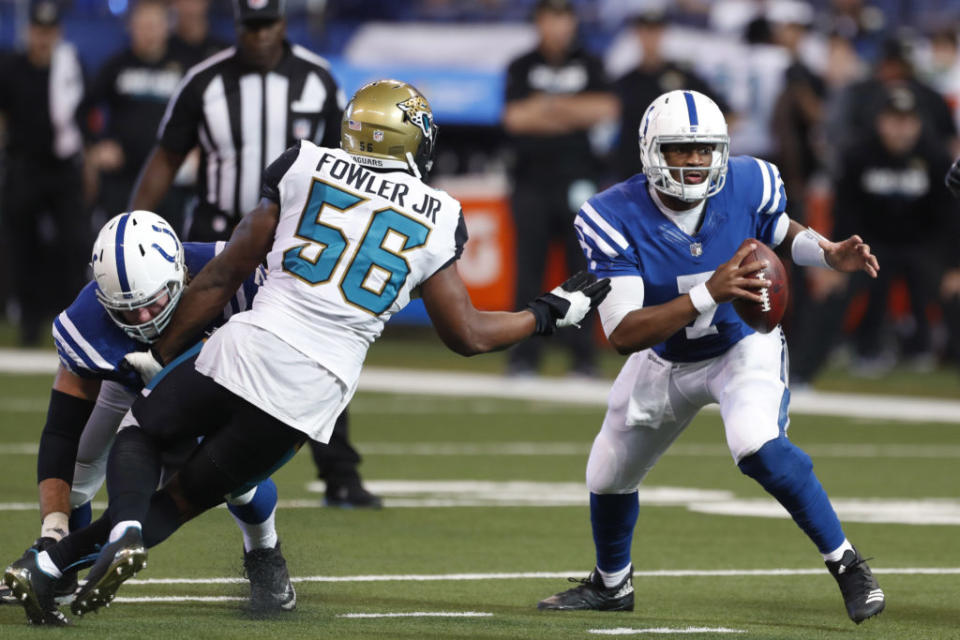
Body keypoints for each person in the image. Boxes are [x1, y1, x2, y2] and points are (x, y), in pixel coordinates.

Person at [2, 79, 610, 625]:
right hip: (315, 393)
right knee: (183, 499)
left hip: (254, 343)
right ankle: (57, 565)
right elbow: (469, 335)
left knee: (139, 432)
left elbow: (218, 278)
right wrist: (547, 313)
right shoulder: (440, 213)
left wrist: (161, 354)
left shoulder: (303, 164)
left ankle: (114, 528)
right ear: (411, 143)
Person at [537, 90, 885, 626]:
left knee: (756, 443)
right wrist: (709, 291)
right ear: (653, 150)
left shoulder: (748, 181)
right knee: (606, 474)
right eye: (681, 150)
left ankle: (848, 565)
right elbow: (625, 334)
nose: (695, 162)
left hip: (741, 344)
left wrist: (827, 252)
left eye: (704, 149)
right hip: (663, 355)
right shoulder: (611, 215)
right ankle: (611, 586)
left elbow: (777, 230)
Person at [129, 0, 378, 507]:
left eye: (267, 26)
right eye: (250, 27)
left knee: (318, 345)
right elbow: (166, 156)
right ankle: (171, 455)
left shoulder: (318, 77)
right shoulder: (205, 80)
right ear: (237, 27)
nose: (259, 37)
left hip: (293, 241)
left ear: (283, 23)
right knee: (195, 340)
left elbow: (350, 164)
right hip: (220, 234)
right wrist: (130, 226)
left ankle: (339, 471)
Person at [0, 211, 295, 620]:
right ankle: (60, 563)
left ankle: (264, 552)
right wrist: (53, 527)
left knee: (234, 479)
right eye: (127, 311)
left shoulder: (237, 274)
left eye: (152, 302)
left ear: (181, 275)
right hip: (129, 382)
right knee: (82, 462)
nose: (143, 319)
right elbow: (60, 432)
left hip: (220, 375)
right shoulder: (89, 321)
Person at [502, 0, 619, 378]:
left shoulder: (591, 63)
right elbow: (515, 119)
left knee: (581, 271)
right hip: (531, 181)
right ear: (539, 22)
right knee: (528, 271)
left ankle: (582, 359)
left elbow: (605, 109)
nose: (557, 25)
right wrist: (572, 114)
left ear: (571, 22)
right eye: (550, 17)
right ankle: (523, 359)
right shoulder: (521, 64)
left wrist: (546, 108)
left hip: (578, 182)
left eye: (563, 17)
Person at [0, 0, 88, 345]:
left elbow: (84, 114)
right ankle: (29, 324)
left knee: (73, 243)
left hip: (63, 169)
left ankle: (72, 320)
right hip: (24, 167)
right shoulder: (11, 66)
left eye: (49, 32)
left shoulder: (69, 67)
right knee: (24, 246)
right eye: (38, 31)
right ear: (28, 32)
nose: (42, 38)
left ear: (58, 34)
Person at [83, 0, 189, 228]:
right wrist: (96, 145)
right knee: (118, 249)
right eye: (142, 25)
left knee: (172, 249)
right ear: (130, 27)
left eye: (154, 25)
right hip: (123, 179)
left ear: (166, 27)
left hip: (169, 179)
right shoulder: (116, 66)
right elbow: (83, 109)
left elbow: (202, 114)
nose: (148, 32)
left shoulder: (184, 67)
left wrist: (197, 149)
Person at [612, 8, 731, 182]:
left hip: (678, 171)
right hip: (634, 170)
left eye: (655, 30)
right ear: (636, 34)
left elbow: (726, 113)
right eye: (645, 30)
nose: (650, 36)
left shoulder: (683, 75)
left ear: (663, 33)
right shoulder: (625, 82)